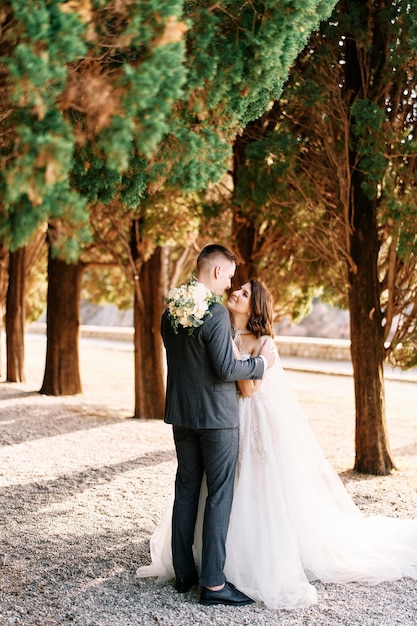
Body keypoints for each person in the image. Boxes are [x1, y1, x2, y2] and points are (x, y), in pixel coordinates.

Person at [137, 278, 417, 610]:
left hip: (247, 420)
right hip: (219, 420)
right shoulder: (219, 328)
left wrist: (244, 358)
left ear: (255, 307)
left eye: (244, 293)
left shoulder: (263, 342)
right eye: (237, 288)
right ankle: (207, 564)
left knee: (244, 488)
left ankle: (241, 563)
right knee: (214, 489)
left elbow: (249, 390)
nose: (236, 293)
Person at [148, 244, 275, 607]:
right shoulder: (215, 314)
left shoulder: (171, 310)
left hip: (182, 415)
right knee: (219, 495)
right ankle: (214, 585)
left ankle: (184, 573)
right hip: (218, 419)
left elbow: (186, 363)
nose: (231, 284)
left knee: (187, 490)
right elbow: (225, 368)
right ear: (218, 272)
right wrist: (261, 365)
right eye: (231, 276)